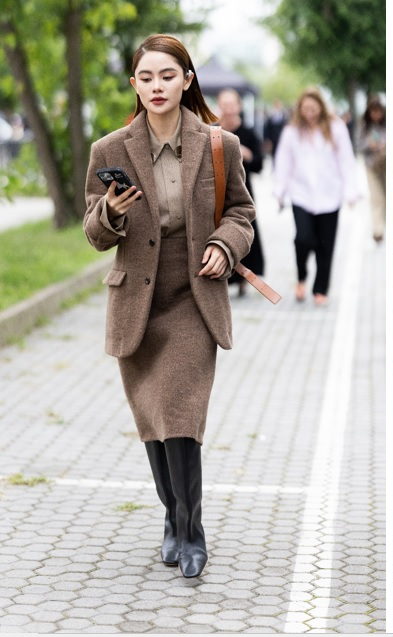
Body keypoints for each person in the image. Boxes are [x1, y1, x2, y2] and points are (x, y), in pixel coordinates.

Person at [83, 34, 254, 579]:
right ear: (135, 85)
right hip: (138, 305)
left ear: (187, 79)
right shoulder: (109, 152)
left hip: (192, 302)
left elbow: (242, 215)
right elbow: (94, 234)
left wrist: (224, 245)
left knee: (182, 418)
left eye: (168, 75)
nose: (157, 86)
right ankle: (171, 515)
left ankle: (193, 531)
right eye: (147, 77)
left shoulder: (219, 145)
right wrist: (109, 211)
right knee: (154, 425)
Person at [274, 87, 359, 305]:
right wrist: (279, 191)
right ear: (300, 110)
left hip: (329, 194)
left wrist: (351, 191)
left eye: (313, 109)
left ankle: (320, 288)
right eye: (305, 109)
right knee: (303, 238)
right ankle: (301, 276)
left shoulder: (336, 128)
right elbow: (283, 162)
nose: (309, 114)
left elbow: (346, 160)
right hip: (301, 194)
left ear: (321, 107)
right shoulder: (292, 131)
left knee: (326, 244)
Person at [216, 88, 265, 297]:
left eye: (231, 104)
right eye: (224, 105)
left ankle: (245, 278)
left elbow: (260, 165)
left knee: (246, 232)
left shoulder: (248, 132)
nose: (228, 109)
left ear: (239, 106)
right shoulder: (211, 131)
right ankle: (222, 275)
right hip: (216, 190)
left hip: (243, 190)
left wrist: (248, 155)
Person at [361, 96, 386, 243]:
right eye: (373, 112)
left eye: (379, 112)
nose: (376, 115)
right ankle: (378, 229)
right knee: (376, 197)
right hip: (371, 165)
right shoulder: (364, 127)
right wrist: (370, 145)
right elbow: (358, 144)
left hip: (385, 164)